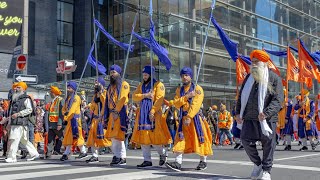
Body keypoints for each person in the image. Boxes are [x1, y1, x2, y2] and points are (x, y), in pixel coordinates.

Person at [235, 50, 283, 180]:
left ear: (265, 63)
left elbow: (278, 100)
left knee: (268, 144)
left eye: (257, 62)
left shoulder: (274, 78)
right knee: (245, 140)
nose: (254, 64)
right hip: (249, 117)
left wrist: (266, 113)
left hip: (267, 119)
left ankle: (267, 170)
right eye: (253, 62)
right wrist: (237, 112)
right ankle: (257, 164)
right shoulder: (248, 77)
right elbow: (241, 98)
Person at [165, 67, 213, 171]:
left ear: (190, 76)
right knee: (180, 138)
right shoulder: (179, 90)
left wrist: (189, 116)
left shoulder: (197, 89)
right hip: (183, 118)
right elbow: (176, 103)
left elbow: (196, 104)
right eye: (182, 76)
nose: (184, 77)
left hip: (195, 118)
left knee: (200, 138)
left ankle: (203, 161)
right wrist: (187, 97)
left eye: (186, 75)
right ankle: (177, 162)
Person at [131, 65, 172, 168]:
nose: (144, 77)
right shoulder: (141, 86)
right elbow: (134, 96)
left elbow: (159, 100)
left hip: (155, 115)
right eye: (143, 75)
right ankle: (147, 160)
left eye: (146, 75)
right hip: (143, 115)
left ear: (151, 74)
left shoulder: (158, 85)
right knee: (144, 137)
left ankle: (163, 154)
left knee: (154, 138)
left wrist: (152, 111)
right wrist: (145, 95)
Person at [5, 81, 39, 163]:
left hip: (20, 123)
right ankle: (34, 153)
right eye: (16, 87)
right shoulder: (15, 99)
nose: (16, 89)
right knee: (24, 140)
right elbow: (11, 113)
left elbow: (30, 109)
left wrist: (19, 114)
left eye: (18, 87)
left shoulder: (26, 98)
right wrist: (9, 122)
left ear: (23, 89)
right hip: (16, 122)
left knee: (14, 139)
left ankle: (12, 157)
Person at [104, 65, 130, 166]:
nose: (112, 74)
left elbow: (123, 99)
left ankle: (122, 157)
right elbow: (106, 102)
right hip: (111, 114)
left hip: (120, 113)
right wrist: (104, 115)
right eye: (110, 73)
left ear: (119, 73)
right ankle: (116, 155)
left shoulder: (124, 84)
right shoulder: (109, 87)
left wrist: (116, 112)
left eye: (114, 72)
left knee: (119, 137)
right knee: (113, 137)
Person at [85, 77, 112, 163]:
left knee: (105, 137)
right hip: (95, 119)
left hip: (103, 118)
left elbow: (105, 103)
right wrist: (89, 106)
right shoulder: (95, 95)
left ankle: (117, 154)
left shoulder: (105, 93)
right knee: (93, 137)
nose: (95, 85)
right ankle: (94, 155)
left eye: (97, 83)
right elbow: (93, 105)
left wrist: (101, 94)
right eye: (95, 83)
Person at [60, 81, 87, 161]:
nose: (68, 89)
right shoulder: (67, 99)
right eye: (68, 88)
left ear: (74, 89)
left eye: (70, 88)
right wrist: (65, 114)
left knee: (77, 136)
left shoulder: (76, 98)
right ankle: (67, 153)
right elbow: (63, 109)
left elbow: (73, 110)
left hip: (75, 120)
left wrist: (66, 118)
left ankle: (82, 151)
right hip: (69, 120)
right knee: (68, 137)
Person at [46, 86, 64, 158]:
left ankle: (64, 151)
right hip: (51, 124)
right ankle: (48, 153)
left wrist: (59, 123)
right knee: (50, 140)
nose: (50, 93)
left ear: (54, 93)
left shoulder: (60, 100)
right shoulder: (52, 101)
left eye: (51, 92)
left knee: (62, 138)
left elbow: (61, 113)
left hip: (57, 124)